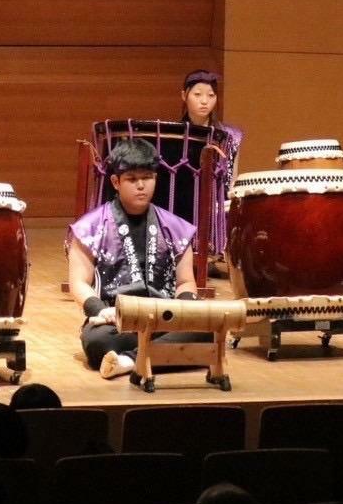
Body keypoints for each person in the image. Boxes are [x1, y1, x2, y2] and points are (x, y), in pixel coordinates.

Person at [67, 137, 204, 379]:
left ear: (155, 179)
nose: (141, 185)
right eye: (132, 179)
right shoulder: (90, 227)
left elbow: (185, 282)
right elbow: (78, 282)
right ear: (116, 182)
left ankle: (129, 360)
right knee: (96, 342)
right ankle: (156, 356)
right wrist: (100, 311)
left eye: (147, 178)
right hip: (116, 320)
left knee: (208, 329)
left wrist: (184, 309)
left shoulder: (176, 227)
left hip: (164, 317)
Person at [177, 69, 243, 270]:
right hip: (183, 198)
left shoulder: (230, 135)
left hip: (216, 199)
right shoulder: (174, 133)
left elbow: (233, 176)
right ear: (184, 95)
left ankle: (213, 255)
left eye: (211, 95)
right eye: (197, 94)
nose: (204, 101)